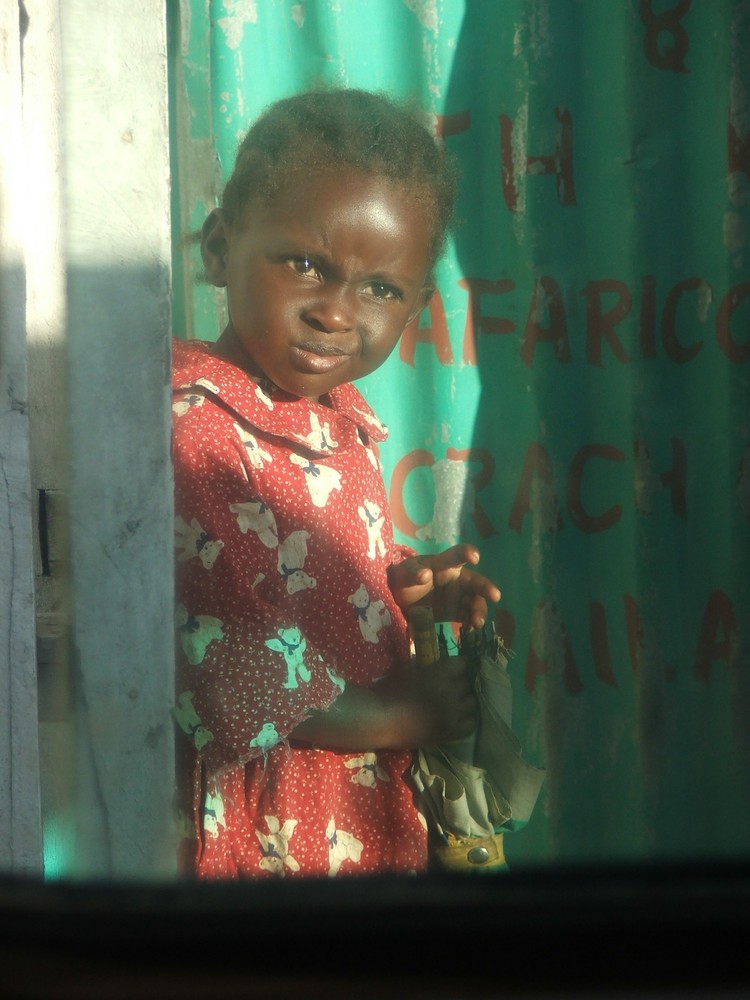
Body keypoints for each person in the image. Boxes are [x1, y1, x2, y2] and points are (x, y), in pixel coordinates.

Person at [172, 87, 502, 879]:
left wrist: (402, 599)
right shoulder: (195, 425)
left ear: (417, 304)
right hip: (275, 834)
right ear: (221, 248)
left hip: (356, 822)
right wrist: (403, 714)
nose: (336, 312)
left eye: (380, 289)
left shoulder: (339, 418)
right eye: (306, 264)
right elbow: (222, 669)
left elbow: (316, 591)